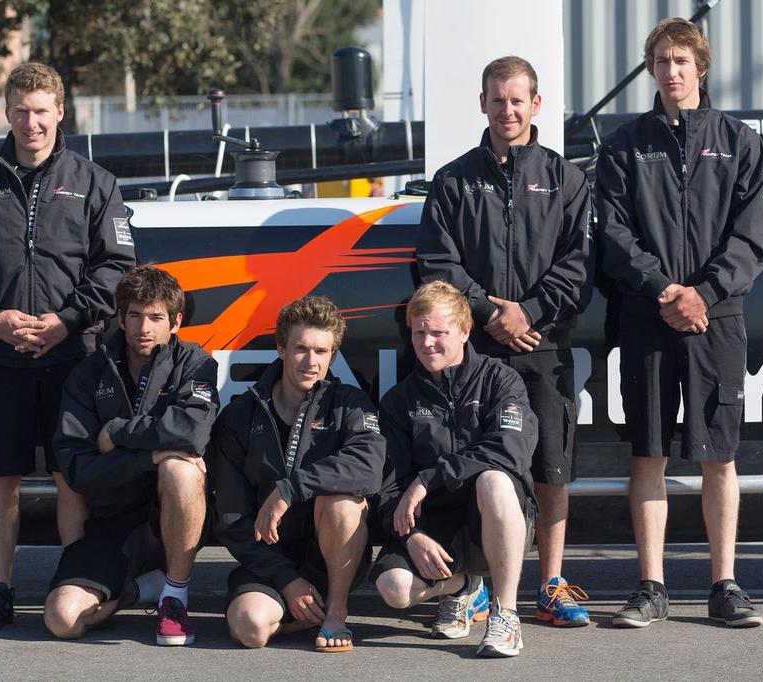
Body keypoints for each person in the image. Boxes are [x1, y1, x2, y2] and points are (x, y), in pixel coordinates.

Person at [0, 62, 136, 632]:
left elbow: (116, 268)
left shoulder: (95, 182)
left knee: (69, 476)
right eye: (21, 110)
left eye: (42, 111)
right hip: (0, 354)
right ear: (7, 112)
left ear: (61, 113)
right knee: (2, 477)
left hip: (74, 357)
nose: (31, 122)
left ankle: (71, 579)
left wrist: (67, 320)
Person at [596, 18, 763, 628]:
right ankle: (651, 586)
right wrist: (666, 289)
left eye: (681, 61)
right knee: (648, 454)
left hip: (716, 320)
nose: (671, 71)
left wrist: (705, 291)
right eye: (661, 61)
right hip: (646, 315)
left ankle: (725, 584)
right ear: (652, 70)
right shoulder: (622, 145)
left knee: (719, 456)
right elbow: (613, 236)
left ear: (701, 68)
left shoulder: (739, 141)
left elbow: (752, 239)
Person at [416, 55, 594, 630]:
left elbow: (579, 265)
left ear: (536, 105)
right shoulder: (452, 180)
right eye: (498, 98)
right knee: (481, 466)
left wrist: (530, 311)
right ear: (482, 103)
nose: (508, 109)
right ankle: (481, 587)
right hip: (476, 350)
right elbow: (436, 265)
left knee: (550, 466)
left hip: (541, 343)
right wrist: (490, 311)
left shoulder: (567, 180)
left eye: (518, 99)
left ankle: (549, 583)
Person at [45, 265, 218, 645]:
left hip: (169, 518)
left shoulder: (196, 363)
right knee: (63, 620)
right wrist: (147, 457)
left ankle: (174, 597)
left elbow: (191, 432)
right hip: (113, 521)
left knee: (181, 468)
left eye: (156, 317)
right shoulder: (88, 374)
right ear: (120, 318)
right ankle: (140, 591)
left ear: (175, 322)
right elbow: (78, 469)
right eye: (136, 315)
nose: (144, 327)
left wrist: (118, 432)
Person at [208, 296, 385, 652]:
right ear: (280, 348)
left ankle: (334, 612)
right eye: (301, 348)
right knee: (250, 628)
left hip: (331, 557)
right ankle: (301, 612)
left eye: (321, 351)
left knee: (342, 500)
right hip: (269, 562)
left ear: (333, 356)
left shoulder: (350, 403)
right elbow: (231, 518)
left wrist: (292, 488)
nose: (311, 361)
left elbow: (369, 467)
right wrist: (286, 580)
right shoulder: (240, 415)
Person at [371, 281, 538, 658]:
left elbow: (511, 450)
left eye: (438, 332)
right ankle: (463, 586)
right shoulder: (398, 401)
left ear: (465, 331)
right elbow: (389, 486)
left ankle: (506, 614)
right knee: (394, 588)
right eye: (419, 332)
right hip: (435, 530)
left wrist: (430, 478)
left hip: (491, 519)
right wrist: (412, 536)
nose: (427, 342)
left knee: (493, 479)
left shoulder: (501, 380)